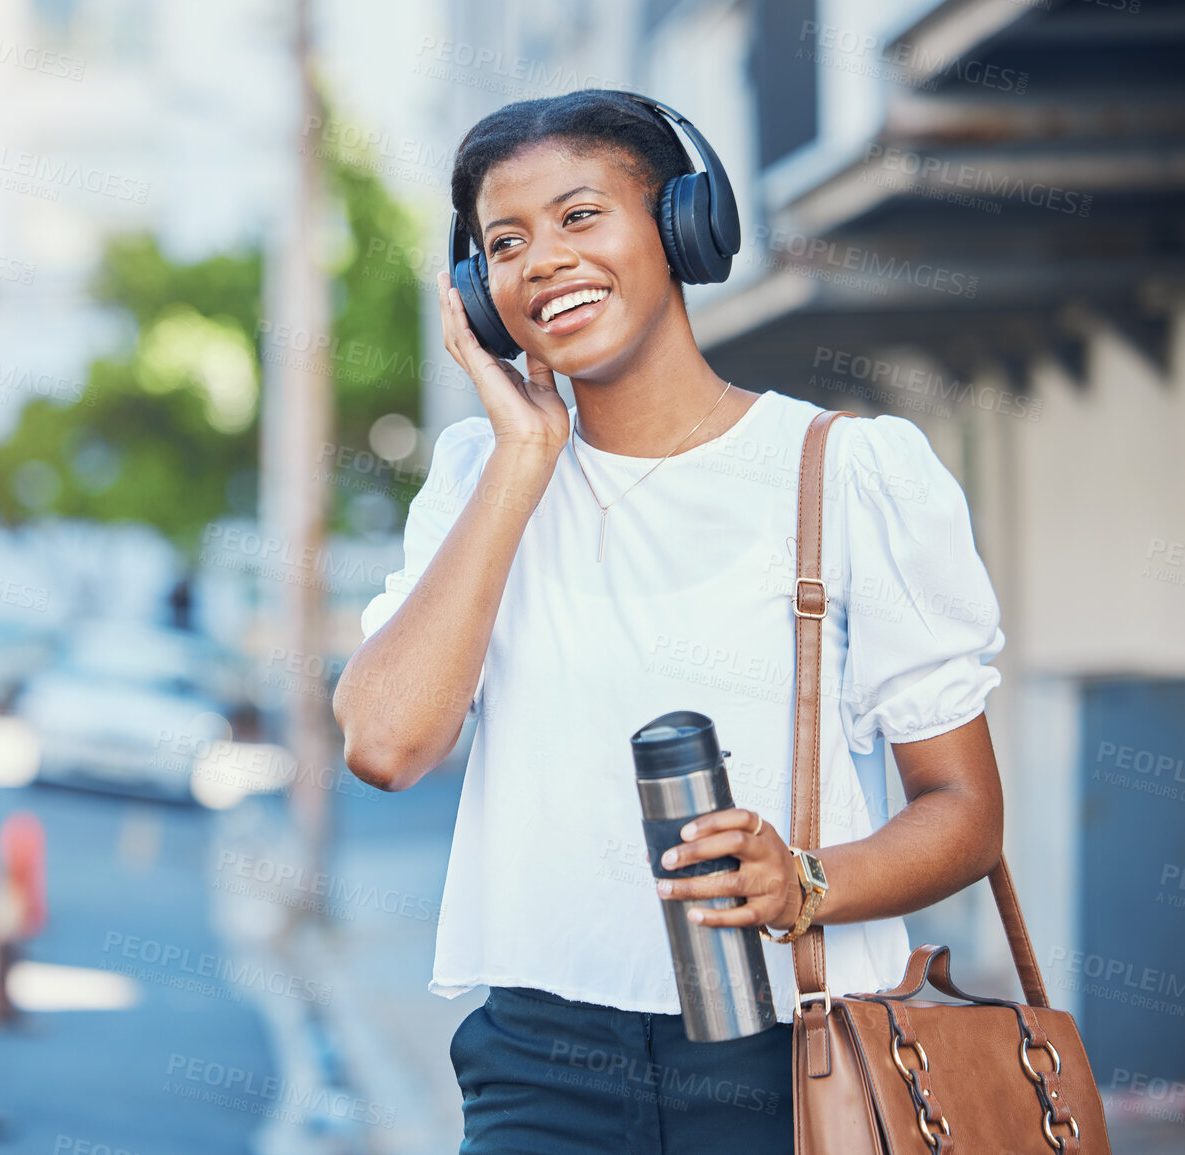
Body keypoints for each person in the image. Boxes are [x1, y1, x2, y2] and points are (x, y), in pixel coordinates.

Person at [331, 90, 1007, 1155]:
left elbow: (964, 809)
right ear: (477, 289)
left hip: (794, 1064)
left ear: (683, 227)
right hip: (538, 1068)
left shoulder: (846, 475)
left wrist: (807, 880)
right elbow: (384, 743)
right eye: (504, 242)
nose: (543, 258)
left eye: (581, 216)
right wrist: (520, 459)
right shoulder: (479, 480)